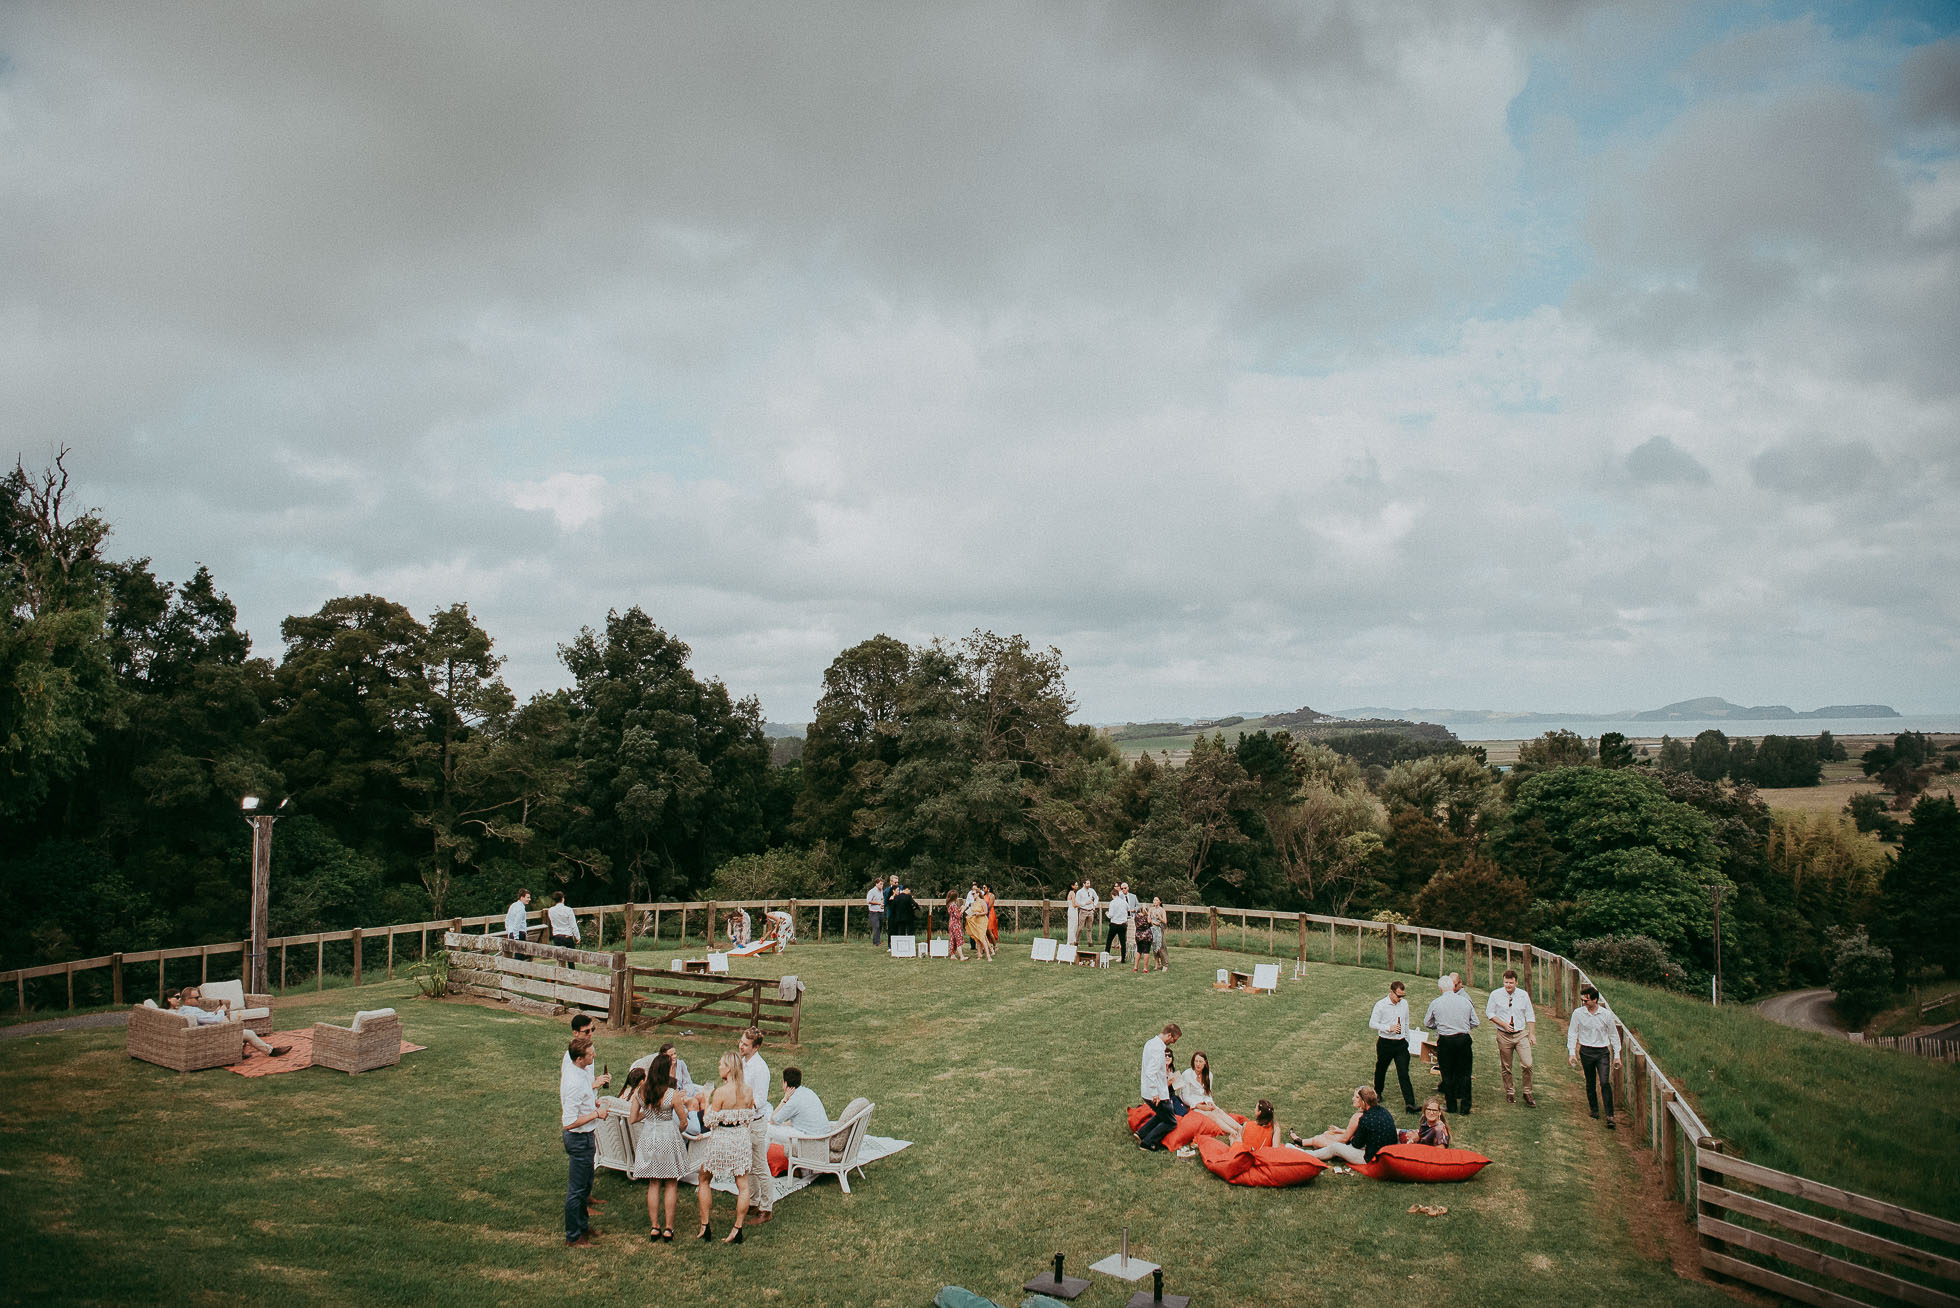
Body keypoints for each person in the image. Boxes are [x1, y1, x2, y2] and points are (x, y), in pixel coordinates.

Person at [628, 1051, 694, 1243]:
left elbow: (632, 1118)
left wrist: (647, 1114)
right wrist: (681, 1128)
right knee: (671, 1182)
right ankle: (668, 1228)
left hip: (649, 1136)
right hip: (667, 1135)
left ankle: (654, 1226)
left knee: (654, 1183)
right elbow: (683, 1121)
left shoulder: (641, 1092)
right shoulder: (671, 1094)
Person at [700, 1050, 757, 1243]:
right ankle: (737, 1228)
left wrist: (705, 1099)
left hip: (722, 1139)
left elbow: (708, 1121)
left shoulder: (721, 1092)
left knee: (704, 1179)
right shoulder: (748, 1090)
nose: (718, 1067)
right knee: (743, 1185)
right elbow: (749, 1113)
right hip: (741, 1138)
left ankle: (705, 1225)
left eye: (721, 1064)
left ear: (729, 1068)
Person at [560, 1036, 612, 1247]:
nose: (595, 1055)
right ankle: (573, 1237)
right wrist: (597, 1114)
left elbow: (584, 1097)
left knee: (585, 1185)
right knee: (577, 1190)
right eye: (591, 1054)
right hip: (578, 1139)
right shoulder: (573, 1082)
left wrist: (594, 1101)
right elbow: (569, 1122)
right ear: (580, 1058)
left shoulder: (580, 1073)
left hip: (586, 1137)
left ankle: (583, 1227)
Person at [1290, 1086, 1398, 1166]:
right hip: (1387, 1151)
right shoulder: (1384, 1111)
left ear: (1363, 1102)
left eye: (1357, 1098)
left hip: (1371, 1158)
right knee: (1334, 1141)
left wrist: (1348, 1139)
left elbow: (1355, 1145)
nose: (1354, 1099)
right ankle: (1309, 1146)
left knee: (1335, 1147)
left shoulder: (1365, 1118)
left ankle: (1306, 1154)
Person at [170, 988, 292, 1058]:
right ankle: (271, 1051)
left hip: (209, 1029)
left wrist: (216, 1012)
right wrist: (221, 1012)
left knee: (232, 1023)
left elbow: (206, 1017)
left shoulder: (185, 1009)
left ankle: (238, 1049)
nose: (199, 1000)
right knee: (249, 1033)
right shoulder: (191, 1011)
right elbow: (214, 1020)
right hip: (213, 1033)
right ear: (187, 1000)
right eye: (196, 998)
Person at [1567, 984, 1623, 1129]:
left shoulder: (1606, 1015)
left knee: (1605, 1082)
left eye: (1586, 1001)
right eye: (1582, 1001)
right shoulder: (1578, 1013)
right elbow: (1572, 1032)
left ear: (1595, 1000)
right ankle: (1594, 1109)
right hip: (1586, 1051)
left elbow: (1614, 1036)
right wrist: (1572, 1052)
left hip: (1602, 1052)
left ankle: (1610, 1115)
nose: (1584, 1003)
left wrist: (1617, 1055)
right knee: (1590, 1081)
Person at [1424, 972, 1479, 1116]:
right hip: (1463, 1039)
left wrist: (1440, 1025)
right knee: (1465, 1073)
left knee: (1447, 1074)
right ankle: (1465, 1107)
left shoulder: (1436, 1003)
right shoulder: (1465, 1001)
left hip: (1446, 1041)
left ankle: (1452, 1105)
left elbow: (1427, 1023)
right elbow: (1475, 1022)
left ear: (1441, 989)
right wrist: (1463, 1026)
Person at [737, 1026, 775, 1225]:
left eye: (745, 1044)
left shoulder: (761, 1069)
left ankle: (766, 1208)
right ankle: (752, 1201)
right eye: (741, 1042)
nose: (741, 1046)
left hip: (756, 1123)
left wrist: (738, 1103)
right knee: (748, 1164)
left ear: (756, 1047)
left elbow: (759, 1100)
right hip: (744, 1121)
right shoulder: (744, 1062)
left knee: (760, 1166)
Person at [1486, 968, 1537, 1107]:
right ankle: (1510, 1092)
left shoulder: (1523, 995)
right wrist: (1503, 1024)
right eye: (1506, 982)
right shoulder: (1495, 994)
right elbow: (1489, 1013)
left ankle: (1527, 1092)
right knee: (1506, 1066)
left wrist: (1532, 1033)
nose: (1508, 985)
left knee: (1528, 1063)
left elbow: (1530, 1015)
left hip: (1521, 1034)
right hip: (1504, 1035)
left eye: (1511, 983)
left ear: (1516, 982)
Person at [1370, 979, 1419, 1114]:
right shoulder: (1381, 1005)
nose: (1400, 999)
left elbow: (1406, 1022)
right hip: (1385, 1043)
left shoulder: (1404, 1004)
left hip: (1401, 1044)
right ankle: (1378, 1093)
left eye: (1403, 996)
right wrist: (1388, 1028)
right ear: (1391, 992)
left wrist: (1407, 1039)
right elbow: (1372, 1023)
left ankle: (1410, 1103)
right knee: (1381, 1068)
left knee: (1403, 1073)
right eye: (1398, 996)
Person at [1173, 1050, 1243, 1142]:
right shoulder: (1187, 1074)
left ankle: (1240, 1128)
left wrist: (1210, 1102)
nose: (1198, 1064)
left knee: (1218, 1111)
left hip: (1203, 1102)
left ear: (1205, 1063)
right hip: (1191, 1105)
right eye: (1196, 1061)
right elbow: (1184, 1097)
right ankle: (1233, 1132)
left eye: (1200, 1062)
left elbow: (1207, 1094)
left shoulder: (1208, 1075)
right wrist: (1199, 1106)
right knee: (1211, 1115)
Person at [1137, 1022, 1182, 1151]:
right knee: (1171, 1121)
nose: (1173, 1042)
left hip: (1147, 1090)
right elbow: (1151, 1072)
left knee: (1163, 1115)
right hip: (1157, 1093)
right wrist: (1155, 1093)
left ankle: (1141, 1133)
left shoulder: (1150, 1043)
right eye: (1174, 1039)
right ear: (1169, 1035)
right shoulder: (1158, 1049)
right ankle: (1148, 1142)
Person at [771, 1066, 830, 1138]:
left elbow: (773, 1121)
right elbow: (799, 1120)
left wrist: (784, 1100)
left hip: (810, 1140)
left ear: (785, 1083)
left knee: (769, 1128)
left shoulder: (794, 1100)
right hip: (824, 1136)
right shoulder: (809, 1092)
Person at [965, 884, 994, 961]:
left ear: (978, 894)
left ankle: (988, 956)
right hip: (976, 921)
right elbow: (972, 911)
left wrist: (978, 914)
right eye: (972, 894)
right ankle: (979, 955)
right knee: (977, 939)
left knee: (982, 938)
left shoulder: (982, 902)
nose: (972, 895)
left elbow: (986, 912)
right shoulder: (974, 903)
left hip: (982, 921)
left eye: (974, 894)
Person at [1106, 883, 1130, 962]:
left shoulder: (1112, 903)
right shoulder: (1124, 902)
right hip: (1123, 924)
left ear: (1113, 895)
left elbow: (1111, 915)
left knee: (1109, 940)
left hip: (1114, 924)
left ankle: (1107, 955)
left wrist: (1107, 914)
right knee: (1123, 942)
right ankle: (1123, 958)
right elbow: (1127, 910)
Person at [945, 891, 968, 959]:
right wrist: (963, 910)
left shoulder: (949, 904)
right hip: (955, 924)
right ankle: (961, 956)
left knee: (952, 939)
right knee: (958, 939)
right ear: (955, 897)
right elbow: (958, 915)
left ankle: (952, 954)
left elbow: (954, 913)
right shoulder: (954, 905)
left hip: (951, 923)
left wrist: (959, 909)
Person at [867, 878, 887, 948]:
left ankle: (876, 941)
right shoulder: (872, 891)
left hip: (881, 911)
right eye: (880, 884)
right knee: (876, 926)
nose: (882, 885)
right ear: (876, 884)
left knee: (880, 927)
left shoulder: (882, 891)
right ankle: (877, 943)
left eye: (882, 884)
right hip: (874, 912)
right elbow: (869, 901)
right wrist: (878, 903)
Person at [1065, 881, 1082, 945]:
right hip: (1073, 911)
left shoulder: (1070, 893)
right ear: (1072, 886)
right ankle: (1071, 941)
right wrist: (1082, 905)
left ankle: (1070, 941)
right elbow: (1074, 905)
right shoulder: (1072, 893)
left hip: (1071, 910)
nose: (1077, 886)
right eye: (1076, 885)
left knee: (1071, 926)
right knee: (1073, 926)